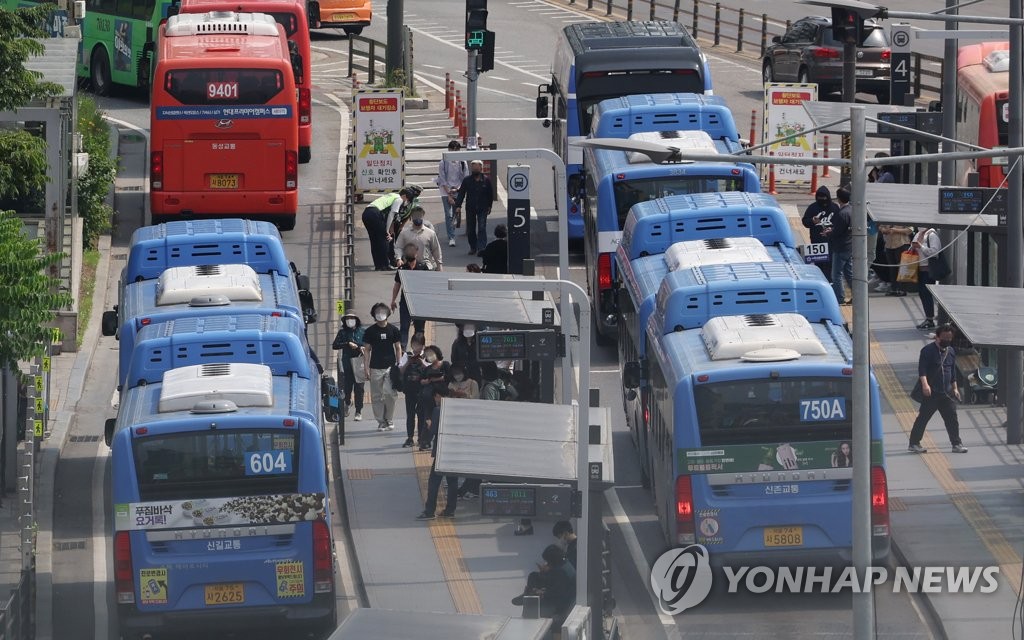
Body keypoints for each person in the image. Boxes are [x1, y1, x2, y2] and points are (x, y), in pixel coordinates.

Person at [909, 325, 967, 454]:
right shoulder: (927, 351)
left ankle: (956, 444)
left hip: (947, 393)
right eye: (945, 337)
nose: (947, 340)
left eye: (949, 338)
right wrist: (925, 385)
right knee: (923, 418)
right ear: (938, 336)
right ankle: (914, 443)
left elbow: (952, 372)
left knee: (952, 418)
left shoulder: (950, 351)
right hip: (932, 393)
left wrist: (955, 388)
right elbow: (922, 370)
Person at [416, 385, 460, 520]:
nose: (435, 399)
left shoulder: (438, 410)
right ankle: (450, 510)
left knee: (434, 481)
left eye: (435, 396)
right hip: (455, 451)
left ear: (439, 396)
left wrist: (429, 425)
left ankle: (429, 511)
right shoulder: (458, 410)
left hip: (442, 452)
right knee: (452, 483)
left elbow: (433, 432)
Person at [361, 302, 402, 432]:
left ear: (387, 313)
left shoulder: (393, 330)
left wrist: (399, 364)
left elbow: (398, 347)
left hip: (390, 366)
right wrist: (366, 368)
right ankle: (381, 421)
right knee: (377, 395)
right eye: (377, 312)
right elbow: (367, 350)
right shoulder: (370, 331)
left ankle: (389, 418)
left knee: (390, 393)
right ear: (374, 314)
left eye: (382, 311)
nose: (380, 314)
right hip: (375, 367)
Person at [510, 544, 576, 622]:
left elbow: (557, 592)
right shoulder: (564, 563)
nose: (547, 563)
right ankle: (529, 594)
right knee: (534, 576)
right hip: (561, 594)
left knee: (536, 584)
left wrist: (542, 592)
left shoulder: (561, 572)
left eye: (548, 561)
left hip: (561, 604)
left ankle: (530, 598)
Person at [361, 187, 417, 271]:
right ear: (404, 196)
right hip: (375, 213)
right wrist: (387, 231)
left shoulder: (392, 195)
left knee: (375, 240)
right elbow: (391, 215)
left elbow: (388, 215)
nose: (407, 202)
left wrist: (389, 229)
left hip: (367, 213)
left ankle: (378, 265)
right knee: (384, 239)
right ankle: (385, 265)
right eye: (408, 200)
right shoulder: (399, 199)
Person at [453, 159, 495, 256]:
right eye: (473, 167)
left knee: (482, 227)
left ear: (481, 168)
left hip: (483, 207)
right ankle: (473, 247)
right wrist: (458, 206)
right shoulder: (467, 180)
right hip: (470, 208)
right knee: (471, 229)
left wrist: (489, 206)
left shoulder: (486, 180)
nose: (475, 169)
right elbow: (462, 193)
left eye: (477, 168)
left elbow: (490, 194)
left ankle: (481, 248)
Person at [391, 243, 428, 349]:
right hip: (406, 302)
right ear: (416, 254)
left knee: (419, 329)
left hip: (420, 303)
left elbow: (428, 284)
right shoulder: (402, 269)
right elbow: (397, 285)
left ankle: (418, 350)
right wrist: (393, 300)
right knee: (404, 327)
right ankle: (403, 350)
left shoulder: (422, 267)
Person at [331, 312, 365, 421]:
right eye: (348, 318)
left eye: (352, 318)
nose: (350, 320)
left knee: (359, 388)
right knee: (347, 386)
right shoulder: (342, 332)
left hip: (359, 362)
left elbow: (368, 346)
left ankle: (358, 410)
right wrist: (347, 343)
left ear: (356, 320)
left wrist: (359, 347)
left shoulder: (362, 331)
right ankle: (348, 402)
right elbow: (335, 345)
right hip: (347, 363)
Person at [435, 139, 469, 247]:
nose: (454, 152)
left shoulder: (462, 162)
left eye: (456, 150)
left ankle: (453, 230)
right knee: (448, 214)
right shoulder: (443, 162)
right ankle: (451, 237)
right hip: (445, 190)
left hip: (458, 189)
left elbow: (465, 178)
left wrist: (458, 189)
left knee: (455, 213)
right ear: (448, 150)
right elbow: (442, 179)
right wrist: (449, 193)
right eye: (452, 150)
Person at [825, 185, 854, 305]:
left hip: (841, 247)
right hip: (849, 245)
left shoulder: (842, 213)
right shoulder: (851, 210)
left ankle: (839, 298)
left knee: (836, 274)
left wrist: (829, 232)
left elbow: (838, 231)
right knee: (849, 273)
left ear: (839, 199)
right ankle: (858, 295)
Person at [801, 186, 837, 281]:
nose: (822, 200)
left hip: (832, 242)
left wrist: (832, 230)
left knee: (831, 265)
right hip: (817, 243)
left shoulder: (834, 207)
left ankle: (830, 282)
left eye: (824, 198)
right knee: (818, 265)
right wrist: (812, 221)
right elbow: (805, 222)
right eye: (820, 198)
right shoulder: (812, 207)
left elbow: (840, 223)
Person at [417, 345, 449, 450]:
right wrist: (427, 381)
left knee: (444, 419)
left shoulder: (445, 365)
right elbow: (421, 380)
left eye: (431, 354)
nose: (429, 356)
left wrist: (439, 379)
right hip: (429, 398)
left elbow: (450, 376)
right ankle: (425, 441)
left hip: (443, 396)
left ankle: (443, 440)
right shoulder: (427, 369)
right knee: (428, 418)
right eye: (427, 355)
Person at [398, 333, 428, 448]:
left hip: (422, 390)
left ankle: (421, 437)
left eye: (419, 345)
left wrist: (422, 362)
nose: (416, 347)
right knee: (410, 414)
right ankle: (410, 438)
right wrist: (408, 362)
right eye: (414, 344)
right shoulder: (407, 355)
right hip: (409, 390)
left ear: (423, 346)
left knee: (422, 414)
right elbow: (400, 370)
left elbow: (431, 369)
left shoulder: (426, 355)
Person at [911, 227, 943, 330]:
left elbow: (934, 252)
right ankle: (928, 317)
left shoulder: (932, 235)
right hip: (919, 268)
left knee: (926, 293)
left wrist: (920, 246)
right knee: (922, 293)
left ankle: (930, 319)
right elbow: (913, 248)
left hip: (928, 269)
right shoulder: (918, 234)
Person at [394, 207, 443, 271]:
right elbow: (398, 247)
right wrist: (399, 258)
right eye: (415, 216)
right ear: (411, 217)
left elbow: (436, 249)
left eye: (419, 216)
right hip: (409, 267)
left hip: (426, 267)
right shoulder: (404, 233)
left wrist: (439, 265)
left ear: (423, 216)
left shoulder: (430, 233)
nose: (417, 218)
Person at [878, 224, 913, 297]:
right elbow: (881, 226)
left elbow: (910, 230)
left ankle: (902, 290)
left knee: (902, 268)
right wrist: (884, 230)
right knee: (892, 268)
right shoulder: (887, 218)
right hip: (889, 245)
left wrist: (895, 230)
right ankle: (894, 289)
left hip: (902, 244)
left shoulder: (903, 217)